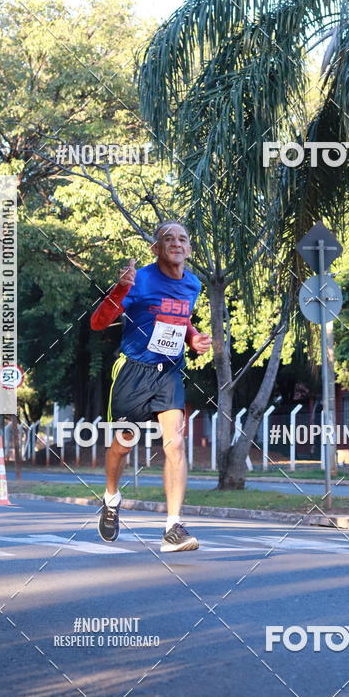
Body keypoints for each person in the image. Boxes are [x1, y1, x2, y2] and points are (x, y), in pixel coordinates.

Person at [90, 221, 211, 551]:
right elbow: (97, 322)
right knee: (124, 443)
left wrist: (194, 337)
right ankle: (111, 496)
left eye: (182, 238)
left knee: (175, 445)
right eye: (167, 238)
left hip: (169, 372)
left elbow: (179, 317)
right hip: (133, 370)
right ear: (156, 249)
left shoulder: (193, 284)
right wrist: (119, 290)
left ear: (189, 248)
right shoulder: (139, 280)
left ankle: (173, 527)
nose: (176, 243)